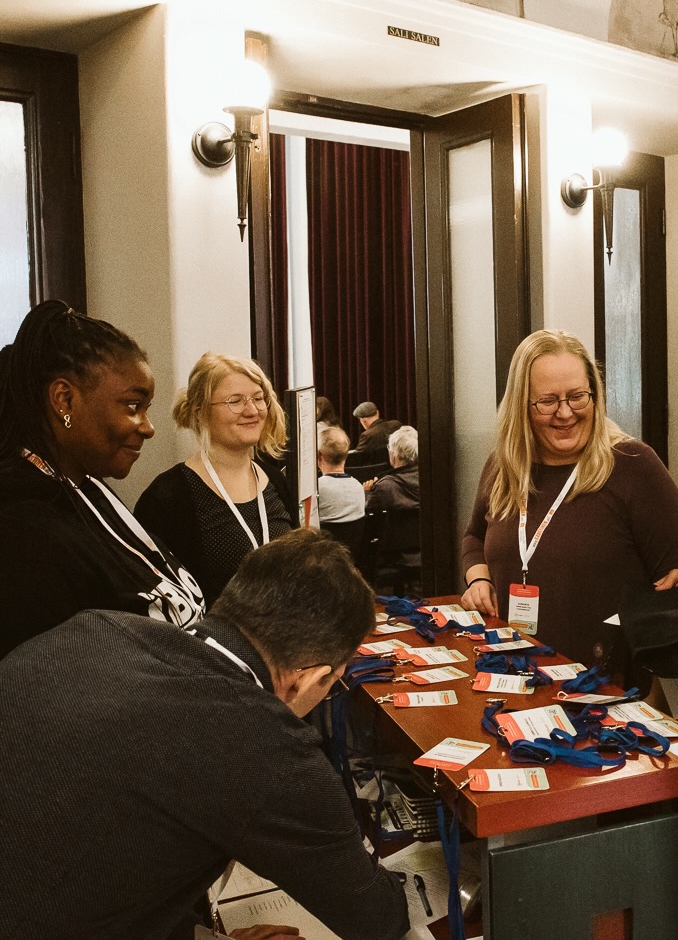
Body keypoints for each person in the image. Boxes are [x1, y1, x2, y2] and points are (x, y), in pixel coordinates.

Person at [0, 526, 409, 940]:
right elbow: (379, 921)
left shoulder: (96, 625)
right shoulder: (267, 750)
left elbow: (89, 841)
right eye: (333, 682)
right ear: (307, 679)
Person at [460, 329, 678, 676]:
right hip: (512, 674)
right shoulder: (504, 465)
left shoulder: (634, 466)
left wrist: (657, 705)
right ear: (521, 405)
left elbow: (677, 592)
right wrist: (478, 579)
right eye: (548, 401)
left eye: (578, 397)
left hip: (606, 693)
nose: (566, 413)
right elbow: (474, 537)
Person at [0, 300, 204, 659]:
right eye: (132, 406)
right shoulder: (23, 532)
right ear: (64, 399)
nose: (148, 427)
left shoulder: (87, 488)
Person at [135, 352, 297, 606]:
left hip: (283, 638)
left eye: (258, 398)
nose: (252, 410)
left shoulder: (276, 481)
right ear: (200, 412)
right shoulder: (167, 497)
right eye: (235, 401)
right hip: (208, 644)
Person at [365, 425, 421, 589]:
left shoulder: (384, 487)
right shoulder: (432, 479)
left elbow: (368, 518)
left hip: (393, 557)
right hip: (428, 552)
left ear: (394, 455)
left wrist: (367, 493)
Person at [317, 424, 366, 548]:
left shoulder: (316, 489)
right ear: (346, 454)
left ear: (319, 455)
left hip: (322, 559)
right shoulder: (358, 487)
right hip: (351, 560)